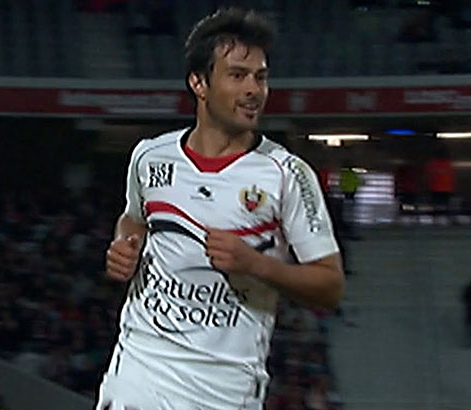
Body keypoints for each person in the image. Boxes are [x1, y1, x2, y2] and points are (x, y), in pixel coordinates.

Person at [97, 8, 344, 410]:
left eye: (260, 77)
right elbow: (133, 219)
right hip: (141, 369)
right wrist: (125, 245)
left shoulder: (288, 175)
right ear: (199, 83)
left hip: (225, 390)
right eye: (238, 75)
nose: (253, 90)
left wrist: (256, 265)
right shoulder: (149, 157)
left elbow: (330, 288)